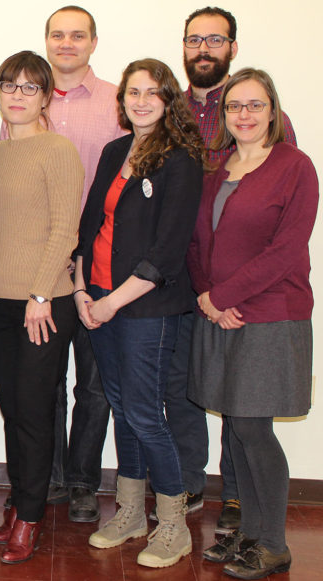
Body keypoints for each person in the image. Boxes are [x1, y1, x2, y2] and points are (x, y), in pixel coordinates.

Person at [173, 7, 300, 532]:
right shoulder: (177, 117)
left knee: (244, 414)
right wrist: (206, 291)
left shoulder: (281, 145)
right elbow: (189, 220)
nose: (204, 48)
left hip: (253, 300)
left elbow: (283, 232)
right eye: (194, 39)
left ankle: (246, 512)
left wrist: (226, 295)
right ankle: (194, 489)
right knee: (197, 392)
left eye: (215, 40)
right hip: (190, 286)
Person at [75, 58, 204, 569]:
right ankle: (129, 511)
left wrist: (109, 302)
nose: (142, 100)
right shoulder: (113, 151)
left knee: (147, 414)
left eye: (154, 92)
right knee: (122, 409)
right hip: (99, 297)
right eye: (134, 92)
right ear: (122, 100)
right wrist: (83, 289)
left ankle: (172, 524)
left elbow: (167, 253)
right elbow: (89, 226)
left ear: (168, 100)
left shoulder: (180, 160)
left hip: (146, 307)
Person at [189, 68, 317, 580]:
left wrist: (221, 296)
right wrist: (206, 296)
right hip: (220, 314)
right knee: (239, 430)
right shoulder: (217, 169)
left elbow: (286, 250)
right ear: (224, 115)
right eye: (235, 106)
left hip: (270, 315)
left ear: (273, 111)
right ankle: (248, 534)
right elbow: (199, 242)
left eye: (255, 105)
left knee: (252, 429)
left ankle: (274, 544)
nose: (244, 115)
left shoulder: (295, 166)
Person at [0, 51, 82, 565]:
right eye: (9, 86)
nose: (17, 95)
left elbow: (66, 228)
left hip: (45, 304)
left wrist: (41, 294)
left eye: (28, 88)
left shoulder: (57, 150)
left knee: (36, 413)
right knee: (13, 413)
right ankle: (19, 503)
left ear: (45, 95)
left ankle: (32, 517)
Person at [39, 5, 128, 520]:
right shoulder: (26, 99)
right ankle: (48, 478)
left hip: (100, 262)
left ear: (93, 42)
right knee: (44, 379)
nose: (66, 43)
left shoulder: (120, 103)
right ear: (47, 41)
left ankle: (81, 482)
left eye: (77, 36)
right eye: (58, 35)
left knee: (93, 385)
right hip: (44, 266)